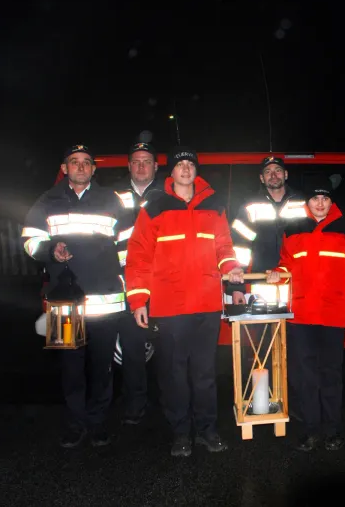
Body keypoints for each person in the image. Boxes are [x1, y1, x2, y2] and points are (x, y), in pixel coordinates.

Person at [124, 146, 245, 457]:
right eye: (180, 164)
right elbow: (138, 256)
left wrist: (232, 271)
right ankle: (180, 433)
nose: (186, 168)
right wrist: (139, 300)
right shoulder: (154, 207)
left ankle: (207, 429)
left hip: (206, 304)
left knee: (205, 373)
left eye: (191, 164)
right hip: (170, 307)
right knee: (175, 374)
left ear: (196, 170)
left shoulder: (215, 206)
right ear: (171, 172)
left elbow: (224, 247)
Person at [21, 144, 130, 448]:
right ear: (65, 167)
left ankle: (97, 424)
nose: (81, 167)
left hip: (106, 303)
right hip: (64, 302)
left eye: (86, 163)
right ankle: (75, 424)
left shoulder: (112, 200)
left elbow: (129, 247)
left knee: (102, 368)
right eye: (74, 162)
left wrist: (126, 283)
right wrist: (49, 251)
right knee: (70, 368)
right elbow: (30, 240)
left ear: (94, 169)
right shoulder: (47, 200)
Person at [266, 177, 345, 452]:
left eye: (325, 198)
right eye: (315, 198)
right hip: (301, 316)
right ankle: (311, 429)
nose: (320, 203)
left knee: (330, 375)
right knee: (305, 377)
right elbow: (285, 266)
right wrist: (277, 274)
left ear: (331, 202)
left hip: (332, 315)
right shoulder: (293, 230)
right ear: (308, 202)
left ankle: (333, 430)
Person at [112, 141, 162, 425]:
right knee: (132, 346)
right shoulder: (112, 195)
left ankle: (169, 402)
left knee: (169, 346)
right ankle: (135, 405)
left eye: (147, 161)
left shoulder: (169, 193)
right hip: (128, 279)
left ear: (156, 166)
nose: (141, 166)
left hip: (164, 280)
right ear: (129, 165)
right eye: (136, 161)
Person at [227, 155, 305, 304]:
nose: (273, 175)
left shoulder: (303, 203)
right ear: (262, 178)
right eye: (268, 172)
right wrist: (236, 288)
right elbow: (240, 248)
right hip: (262, 288)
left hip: (298, 285)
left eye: (278, 170)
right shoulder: (249, 207)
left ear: (286, 174)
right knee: (265, 328)